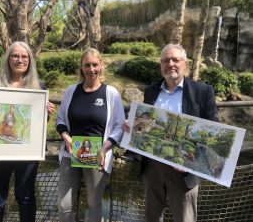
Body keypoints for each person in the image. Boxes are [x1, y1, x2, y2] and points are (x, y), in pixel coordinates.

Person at [123, 43, 218, 222]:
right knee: (152, 216)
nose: (171, 64)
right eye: (166, 60)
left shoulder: (203, 91)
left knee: (184, 218)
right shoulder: (151, 90)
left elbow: (212, 129)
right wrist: (132, 126)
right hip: (152, 167)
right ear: (161, 65)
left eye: (176, 59)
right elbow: (145, 125)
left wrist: (193, 163)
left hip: (184, 169)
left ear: (185, 64)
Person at [0, 41, 55, 222]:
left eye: (24, 56)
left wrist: (45, 112)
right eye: (15, 55)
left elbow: (39, 124)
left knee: (25, 196)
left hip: (26, 152)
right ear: (8, 58)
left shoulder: (39, 87)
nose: (19, 60)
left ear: (30, 61)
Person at [55, 47, 125, 222]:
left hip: (97, 155)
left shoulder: (111, 93)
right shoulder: (71, 91)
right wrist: (66, 136)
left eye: (95, 64)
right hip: (70, 153)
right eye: (87, 65)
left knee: (93, 204)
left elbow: (119, 127)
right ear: (81, 67)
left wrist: (105, 147)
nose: (91, 69)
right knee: (64, 205)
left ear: (101, 66)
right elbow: (60, 119)